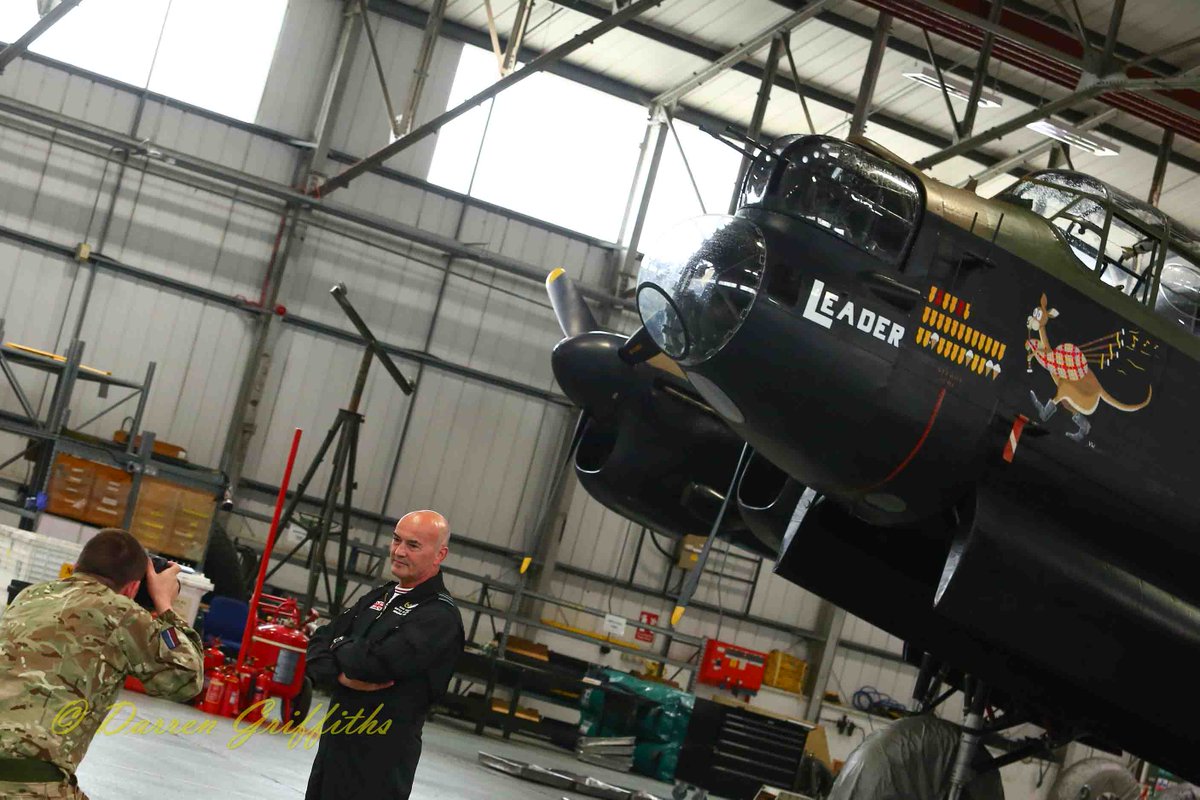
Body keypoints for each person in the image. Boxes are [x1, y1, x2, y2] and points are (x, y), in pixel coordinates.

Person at [0, 528, 204, 799]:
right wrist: (165, 606)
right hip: (30, 784)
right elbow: (187, 679)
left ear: (75, 568)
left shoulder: (30, 596)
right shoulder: (122, 612)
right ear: (133, 587)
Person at [305, 509, 465, 800]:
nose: (399, 552)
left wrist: (339, 647)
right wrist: (341, 672)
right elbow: (318, 642)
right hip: (334, 750)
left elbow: (373, 666)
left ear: (440, 554)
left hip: (379, 763)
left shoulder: (439, 616)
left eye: (413, 545)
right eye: (396, 540)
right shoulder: (379, 596)